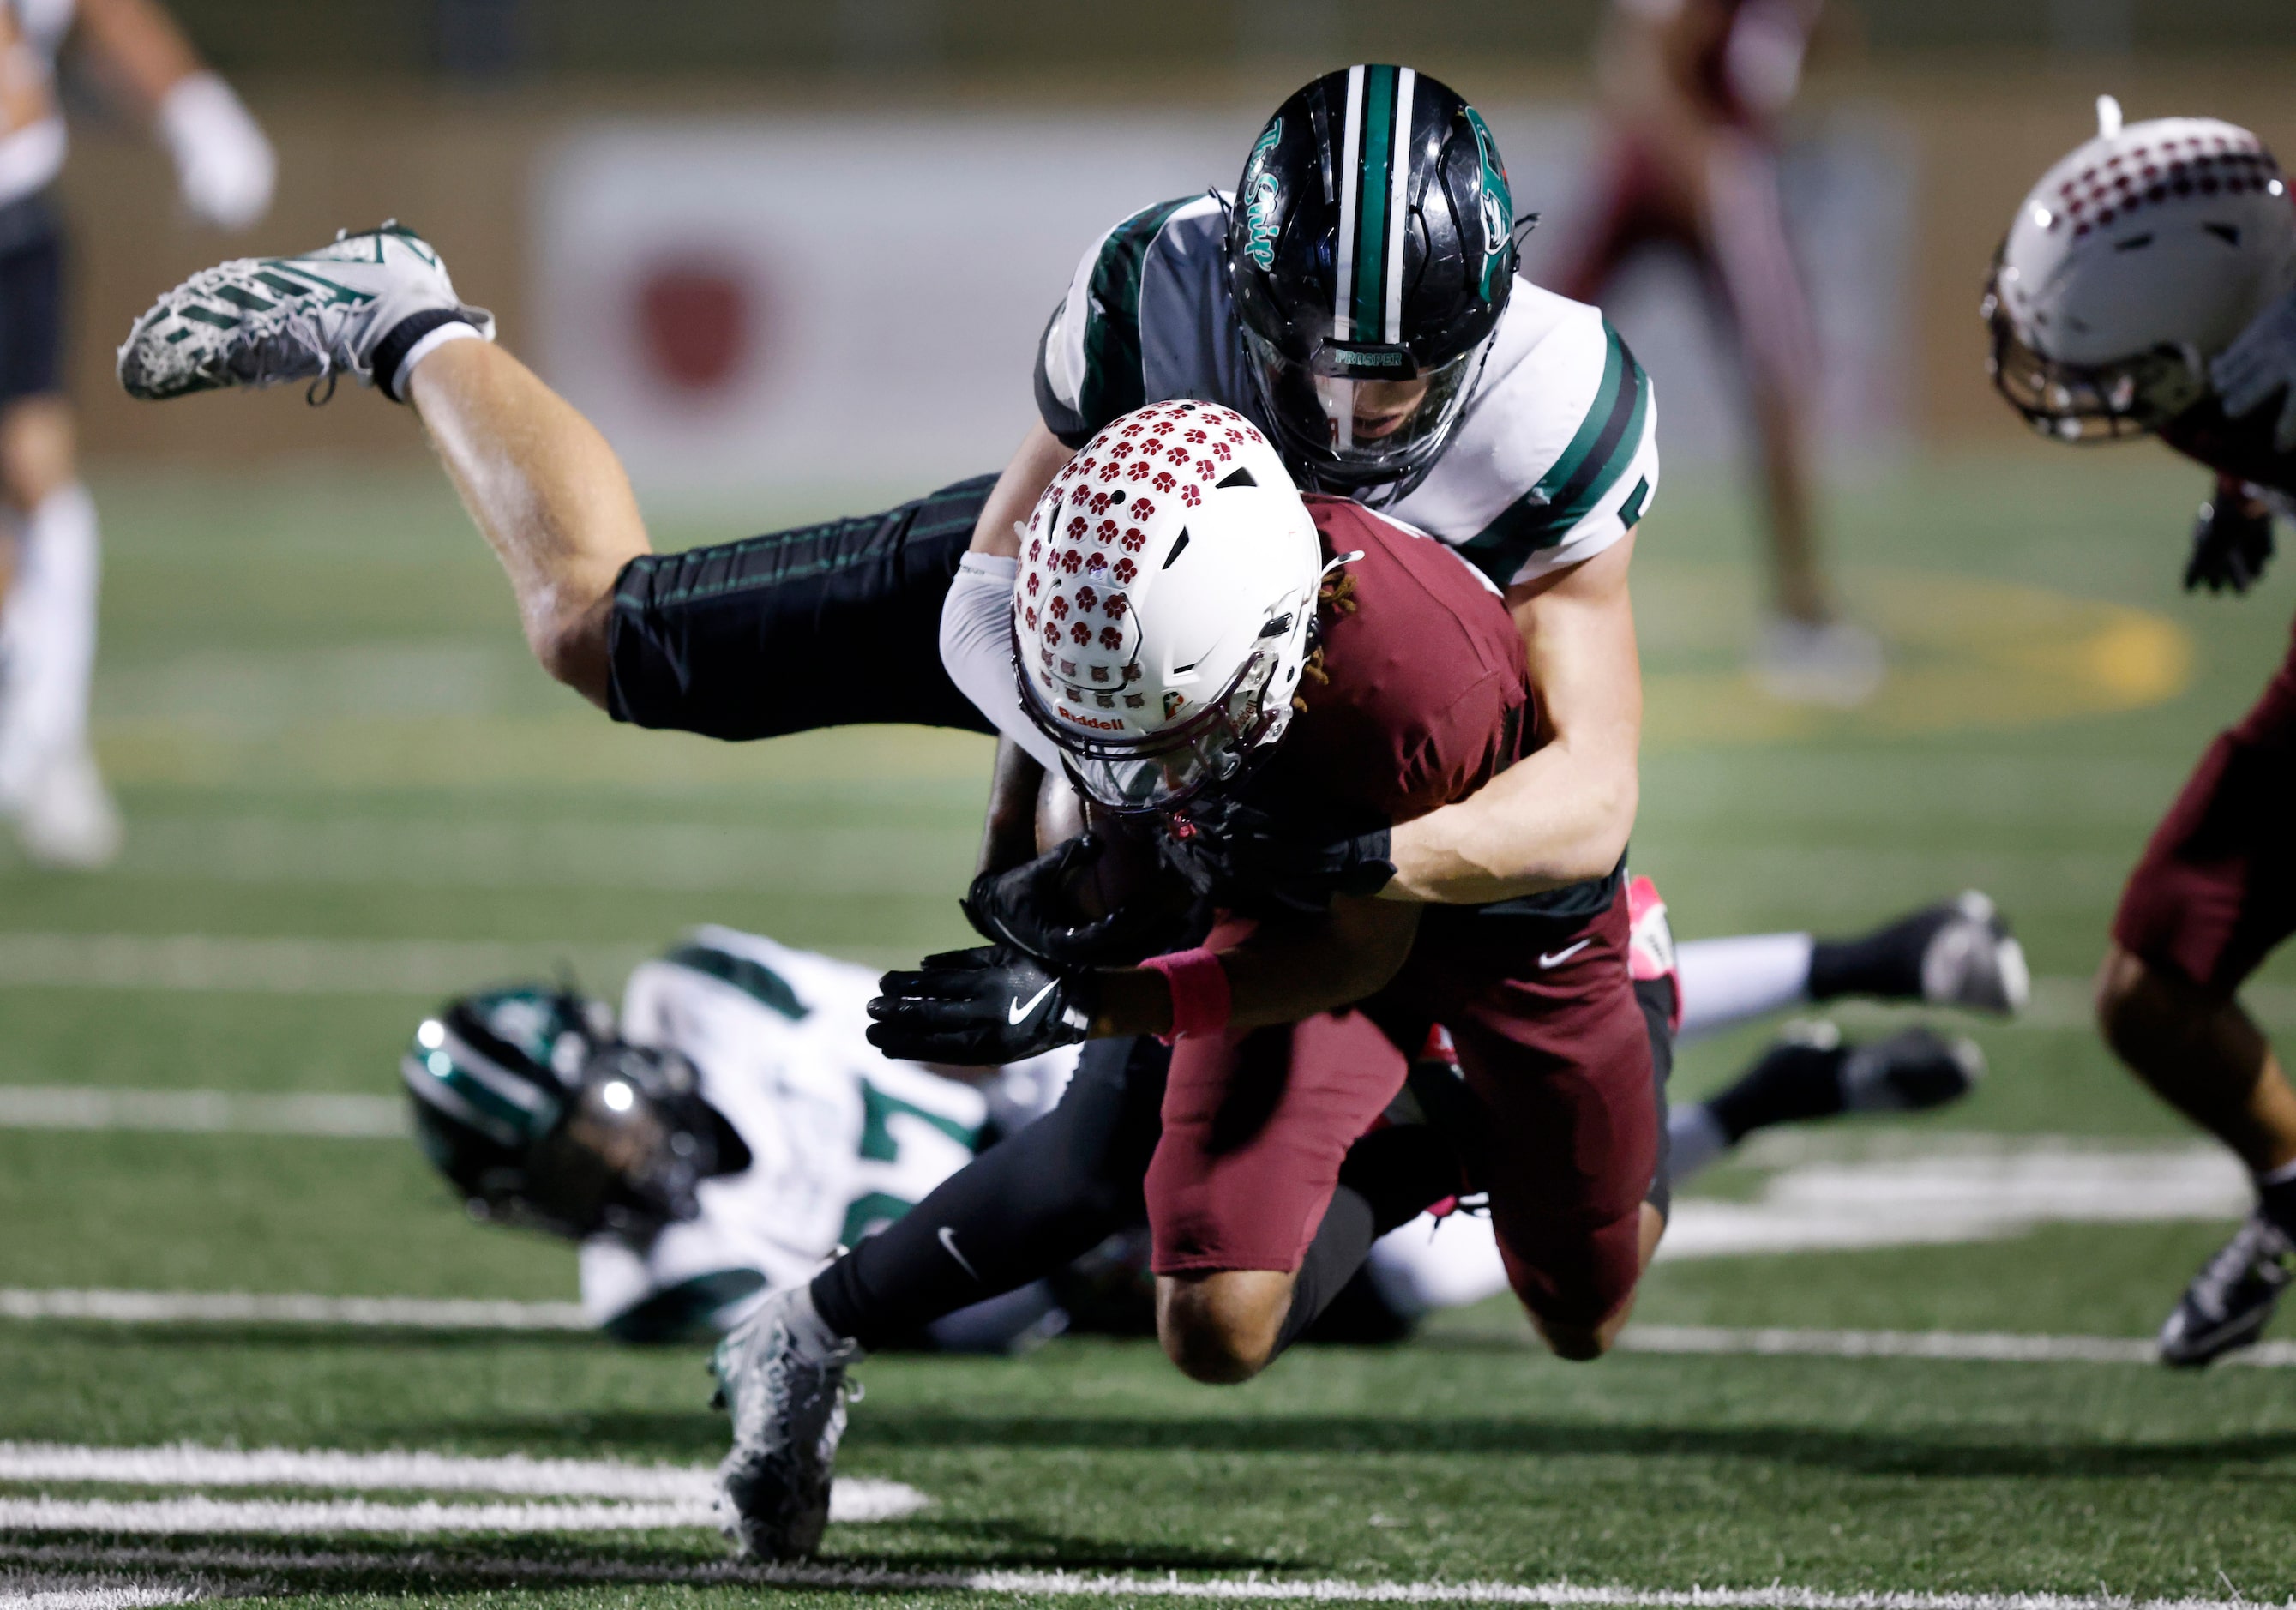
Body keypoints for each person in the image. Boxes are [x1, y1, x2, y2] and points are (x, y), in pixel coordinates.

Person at [117, 66, 1650, 938]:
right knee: (598, 633)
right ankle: (406, 319)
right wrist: (1083, 780)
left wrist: (1383, 861)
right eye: (1305, 360)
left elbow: (1590, 787)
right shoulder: (1156, 283)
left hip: (1301, 731)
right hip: (1092, 602)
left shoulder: (1553, 397)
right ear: (1244, 290)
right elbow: (992, 587)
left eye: (1392, 379)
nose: (1345, 411)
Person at [1986, 98, 2296, 1366]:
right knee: (2150, 981)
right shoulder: (2249, 319)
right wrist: (2249, 486)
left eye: (2116, 364)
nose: (2086, 389)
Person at [0, 0, 272, 864]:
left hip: (13, 216)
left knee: (34, 473)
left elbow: (107, 17)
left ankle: (50, 738)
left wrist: (194, 111)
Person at [1549, 0, 1872, 706]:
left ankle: (1801, 611)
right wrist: (1698, 155)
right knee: (1528, 346)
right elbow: (1642, 55)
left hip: (1717, 160)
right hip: (1681, 161)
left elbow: (1800, 58)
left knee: (1783, 379)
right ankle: (1803, 613)